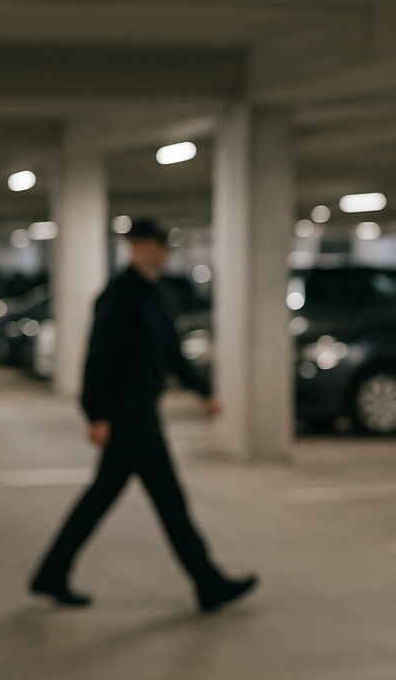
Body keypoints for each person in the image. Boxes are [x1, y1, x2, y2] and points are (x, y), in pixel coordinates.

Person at [29, 217, 256, 613]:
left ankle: (52, 571)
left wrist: (203, 389)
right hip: (127, 414)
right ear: (137, 246)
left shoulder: (155, 294)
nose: (165, 251)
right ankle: (206, 582)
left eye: (166, 244)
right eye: (157, 244)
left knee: (109, 497)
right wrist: (96, 413)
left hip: (143, 411)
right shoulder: (119, 296)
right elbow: (99, 357)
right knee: (167, 499)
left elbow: (171, 351)